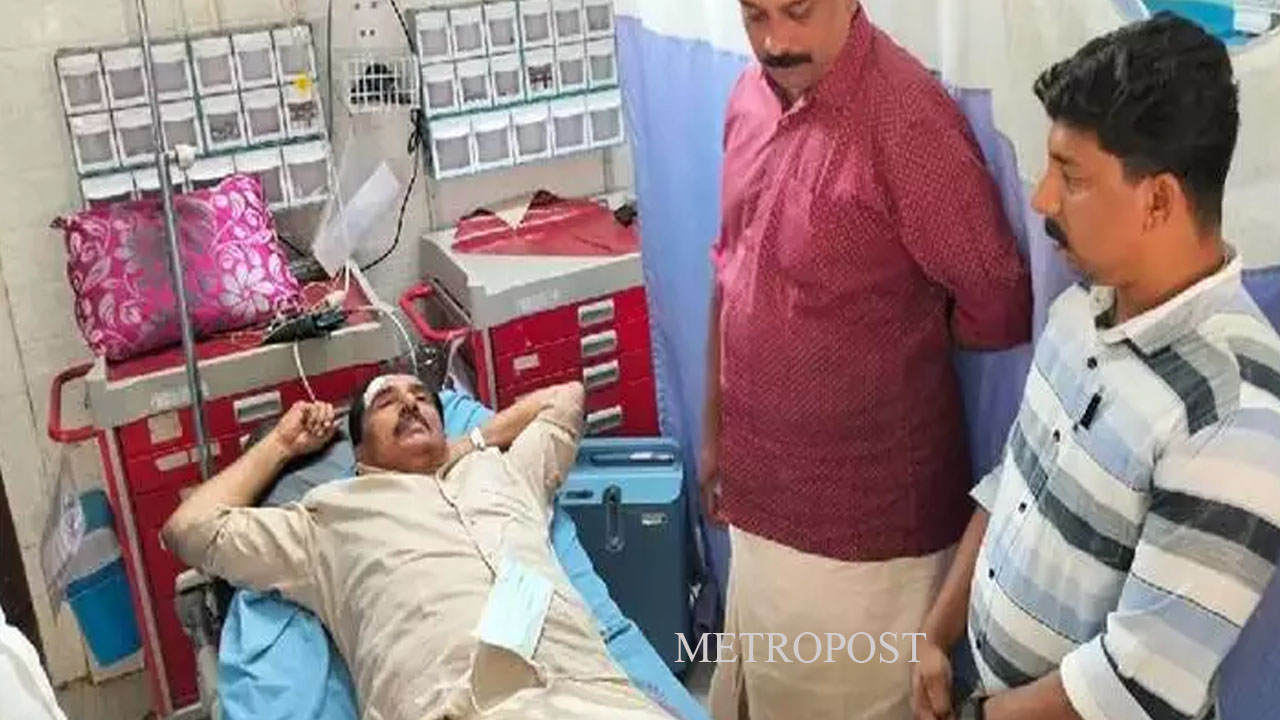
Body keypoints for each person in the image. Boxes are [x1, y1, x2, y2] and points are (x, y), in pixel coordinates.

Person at [911, 13, 1280, 720]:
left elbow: (1135, 684)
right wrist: (936, 633)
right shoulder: (1081, 310)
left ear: (1158, 200)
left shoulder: (1233, 418)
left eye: (1071, 176)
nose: (1042, 198)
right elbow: (1013, 482)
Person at [701, 0, 1032, 717]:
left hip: (865, 531)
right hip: (757, 497)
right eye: (755, 15)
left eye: (797, 11)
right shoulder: (750, 97)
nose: (775, 41)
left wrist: (879, 346)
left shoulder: (906, 122)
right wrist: (713, 430)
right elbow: (728, 272)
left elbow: (998, 299)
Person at [163, 377, 672, 720]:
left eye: (422, 398)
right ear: (358, 452)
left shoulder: (507, 471)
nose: (409, 404)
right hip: (461, 707)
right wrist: (280, 444)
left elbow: (567, 397)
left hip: (598, 695)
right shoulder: (328, 520)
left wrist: (464, 446)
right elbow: (189, 528)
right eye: (386, 402)